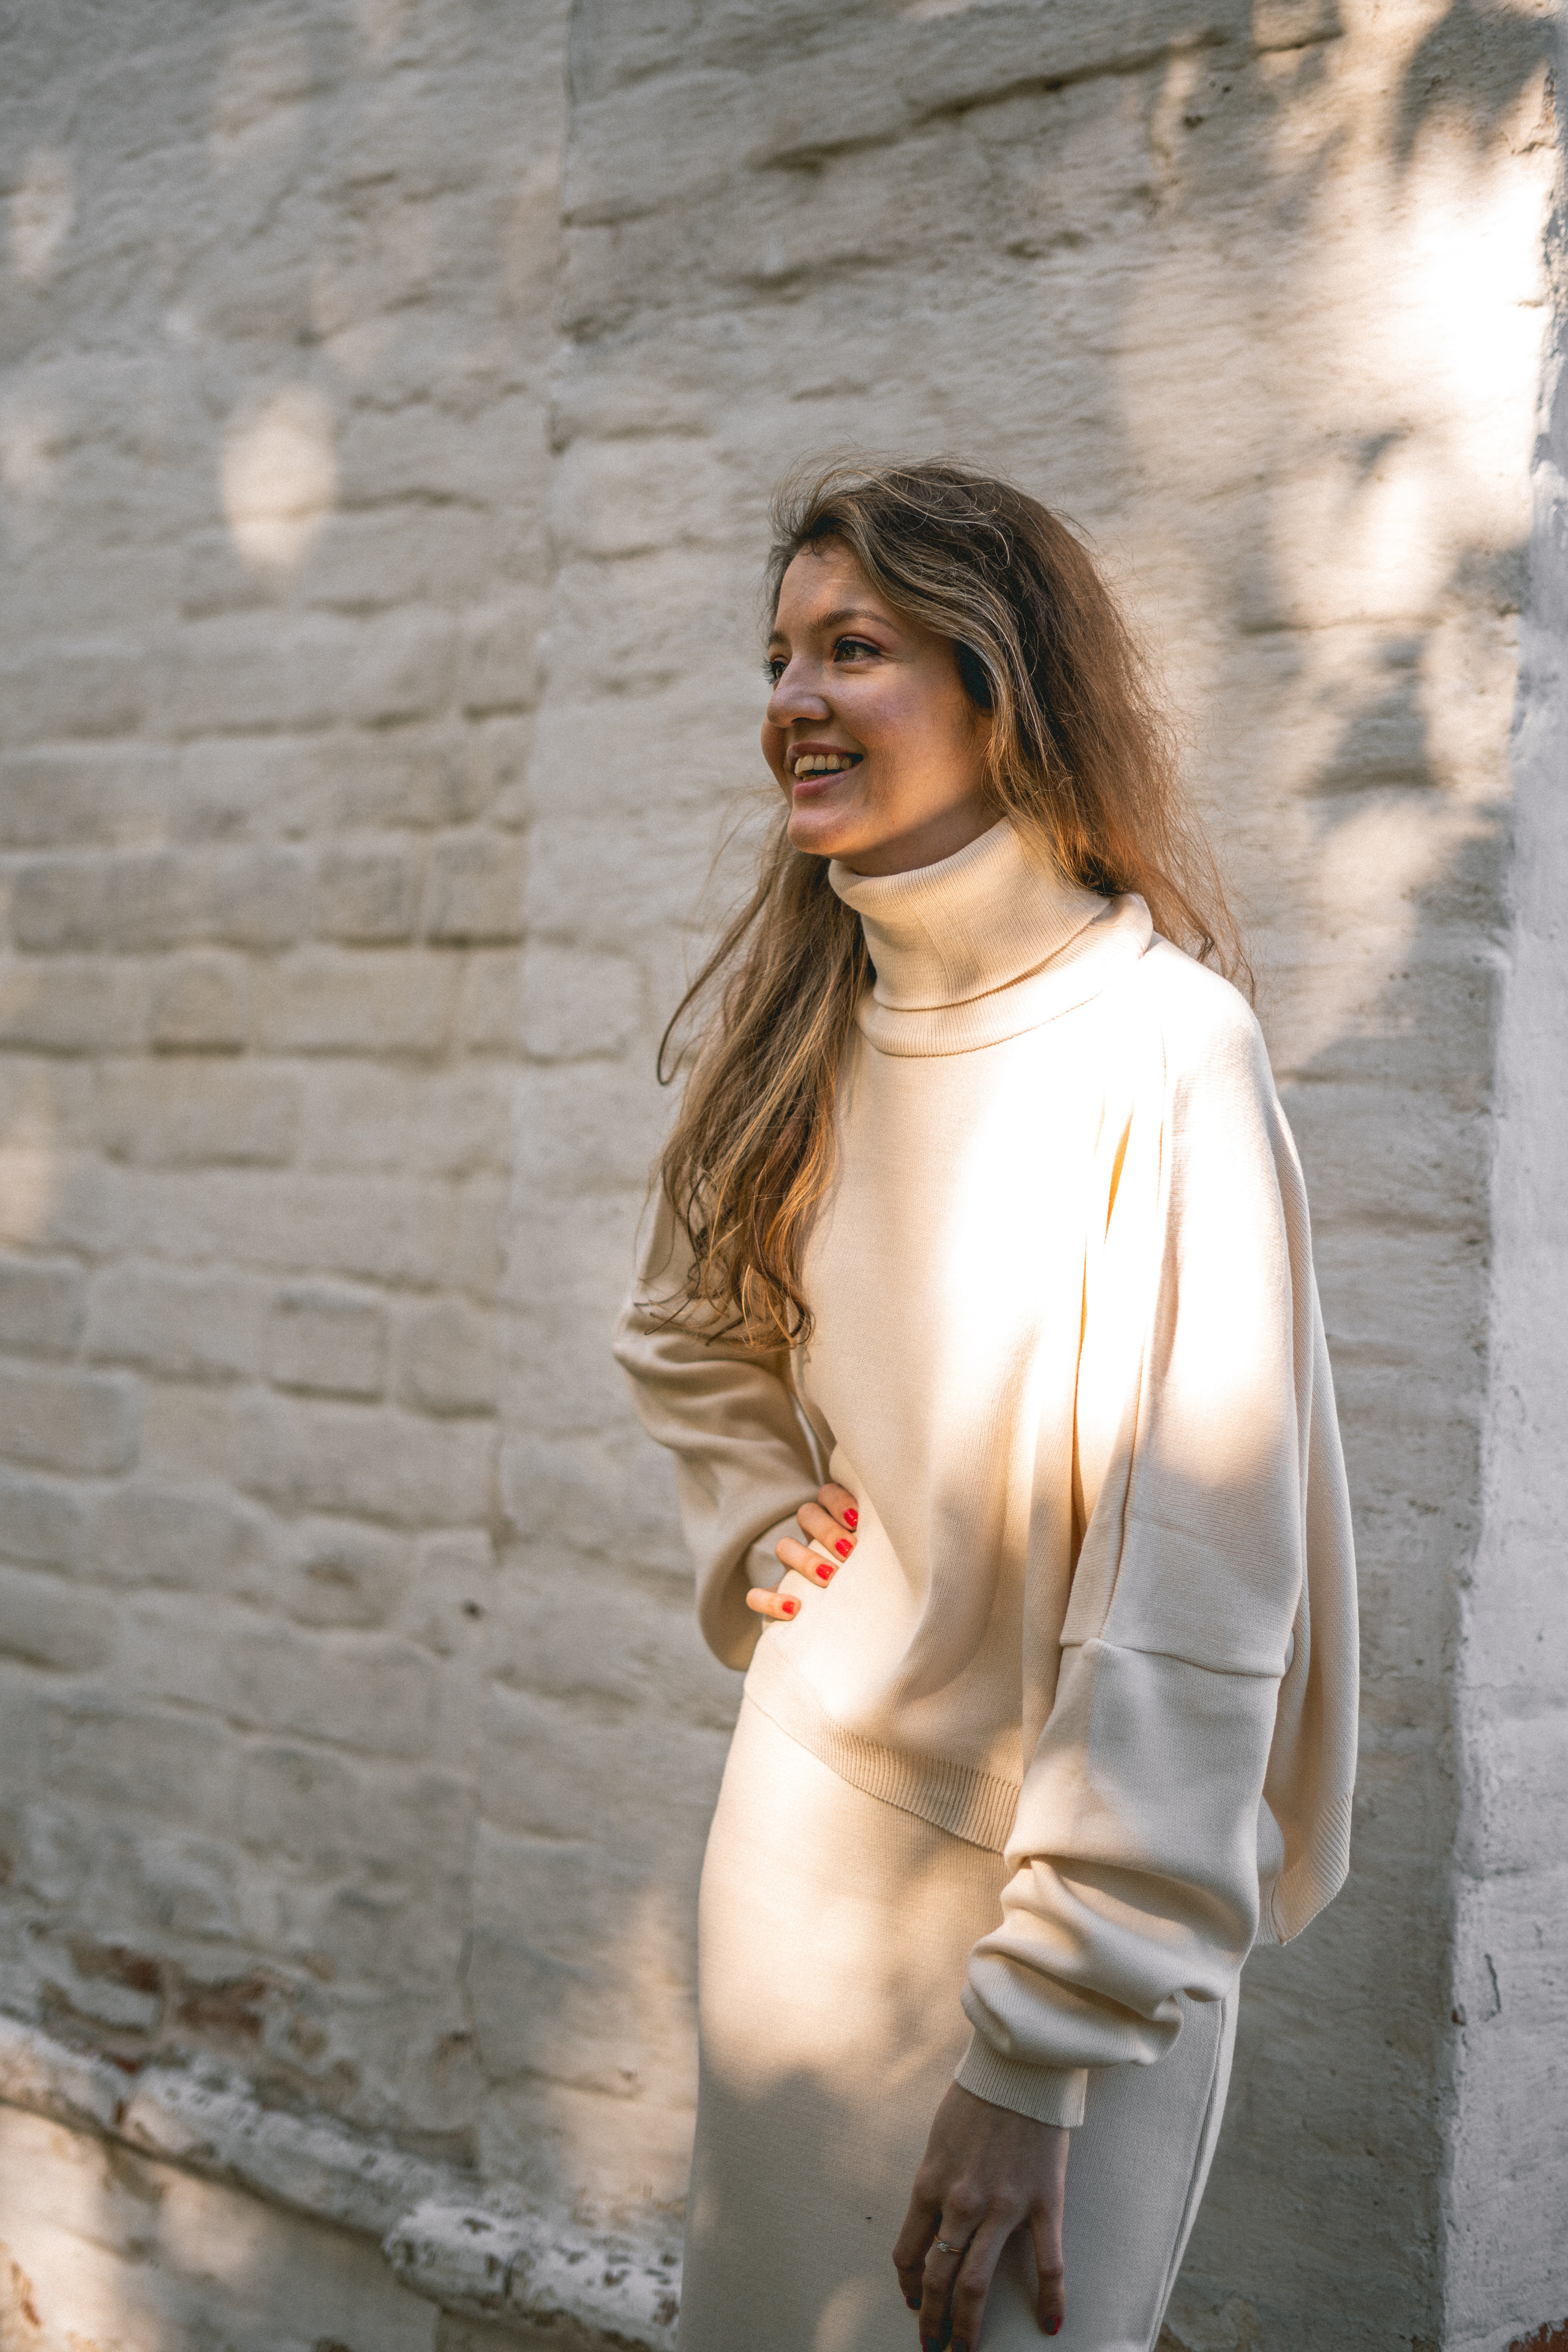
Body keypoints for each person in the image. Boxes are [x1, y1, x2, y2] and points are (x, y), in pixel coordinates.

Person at [613, 459, 1358, 2352]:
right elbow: (690, 1324)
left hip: (1066, 1942)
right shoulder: (810, 1012)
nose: (791, 696)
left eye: (850, 648)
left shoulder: (1163, 1049)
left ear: (998, 685)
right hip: (792, 1851)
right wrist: (766, 1515)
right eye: (778, 653)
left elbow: (1198, 1603)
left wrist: (1032, 2059)